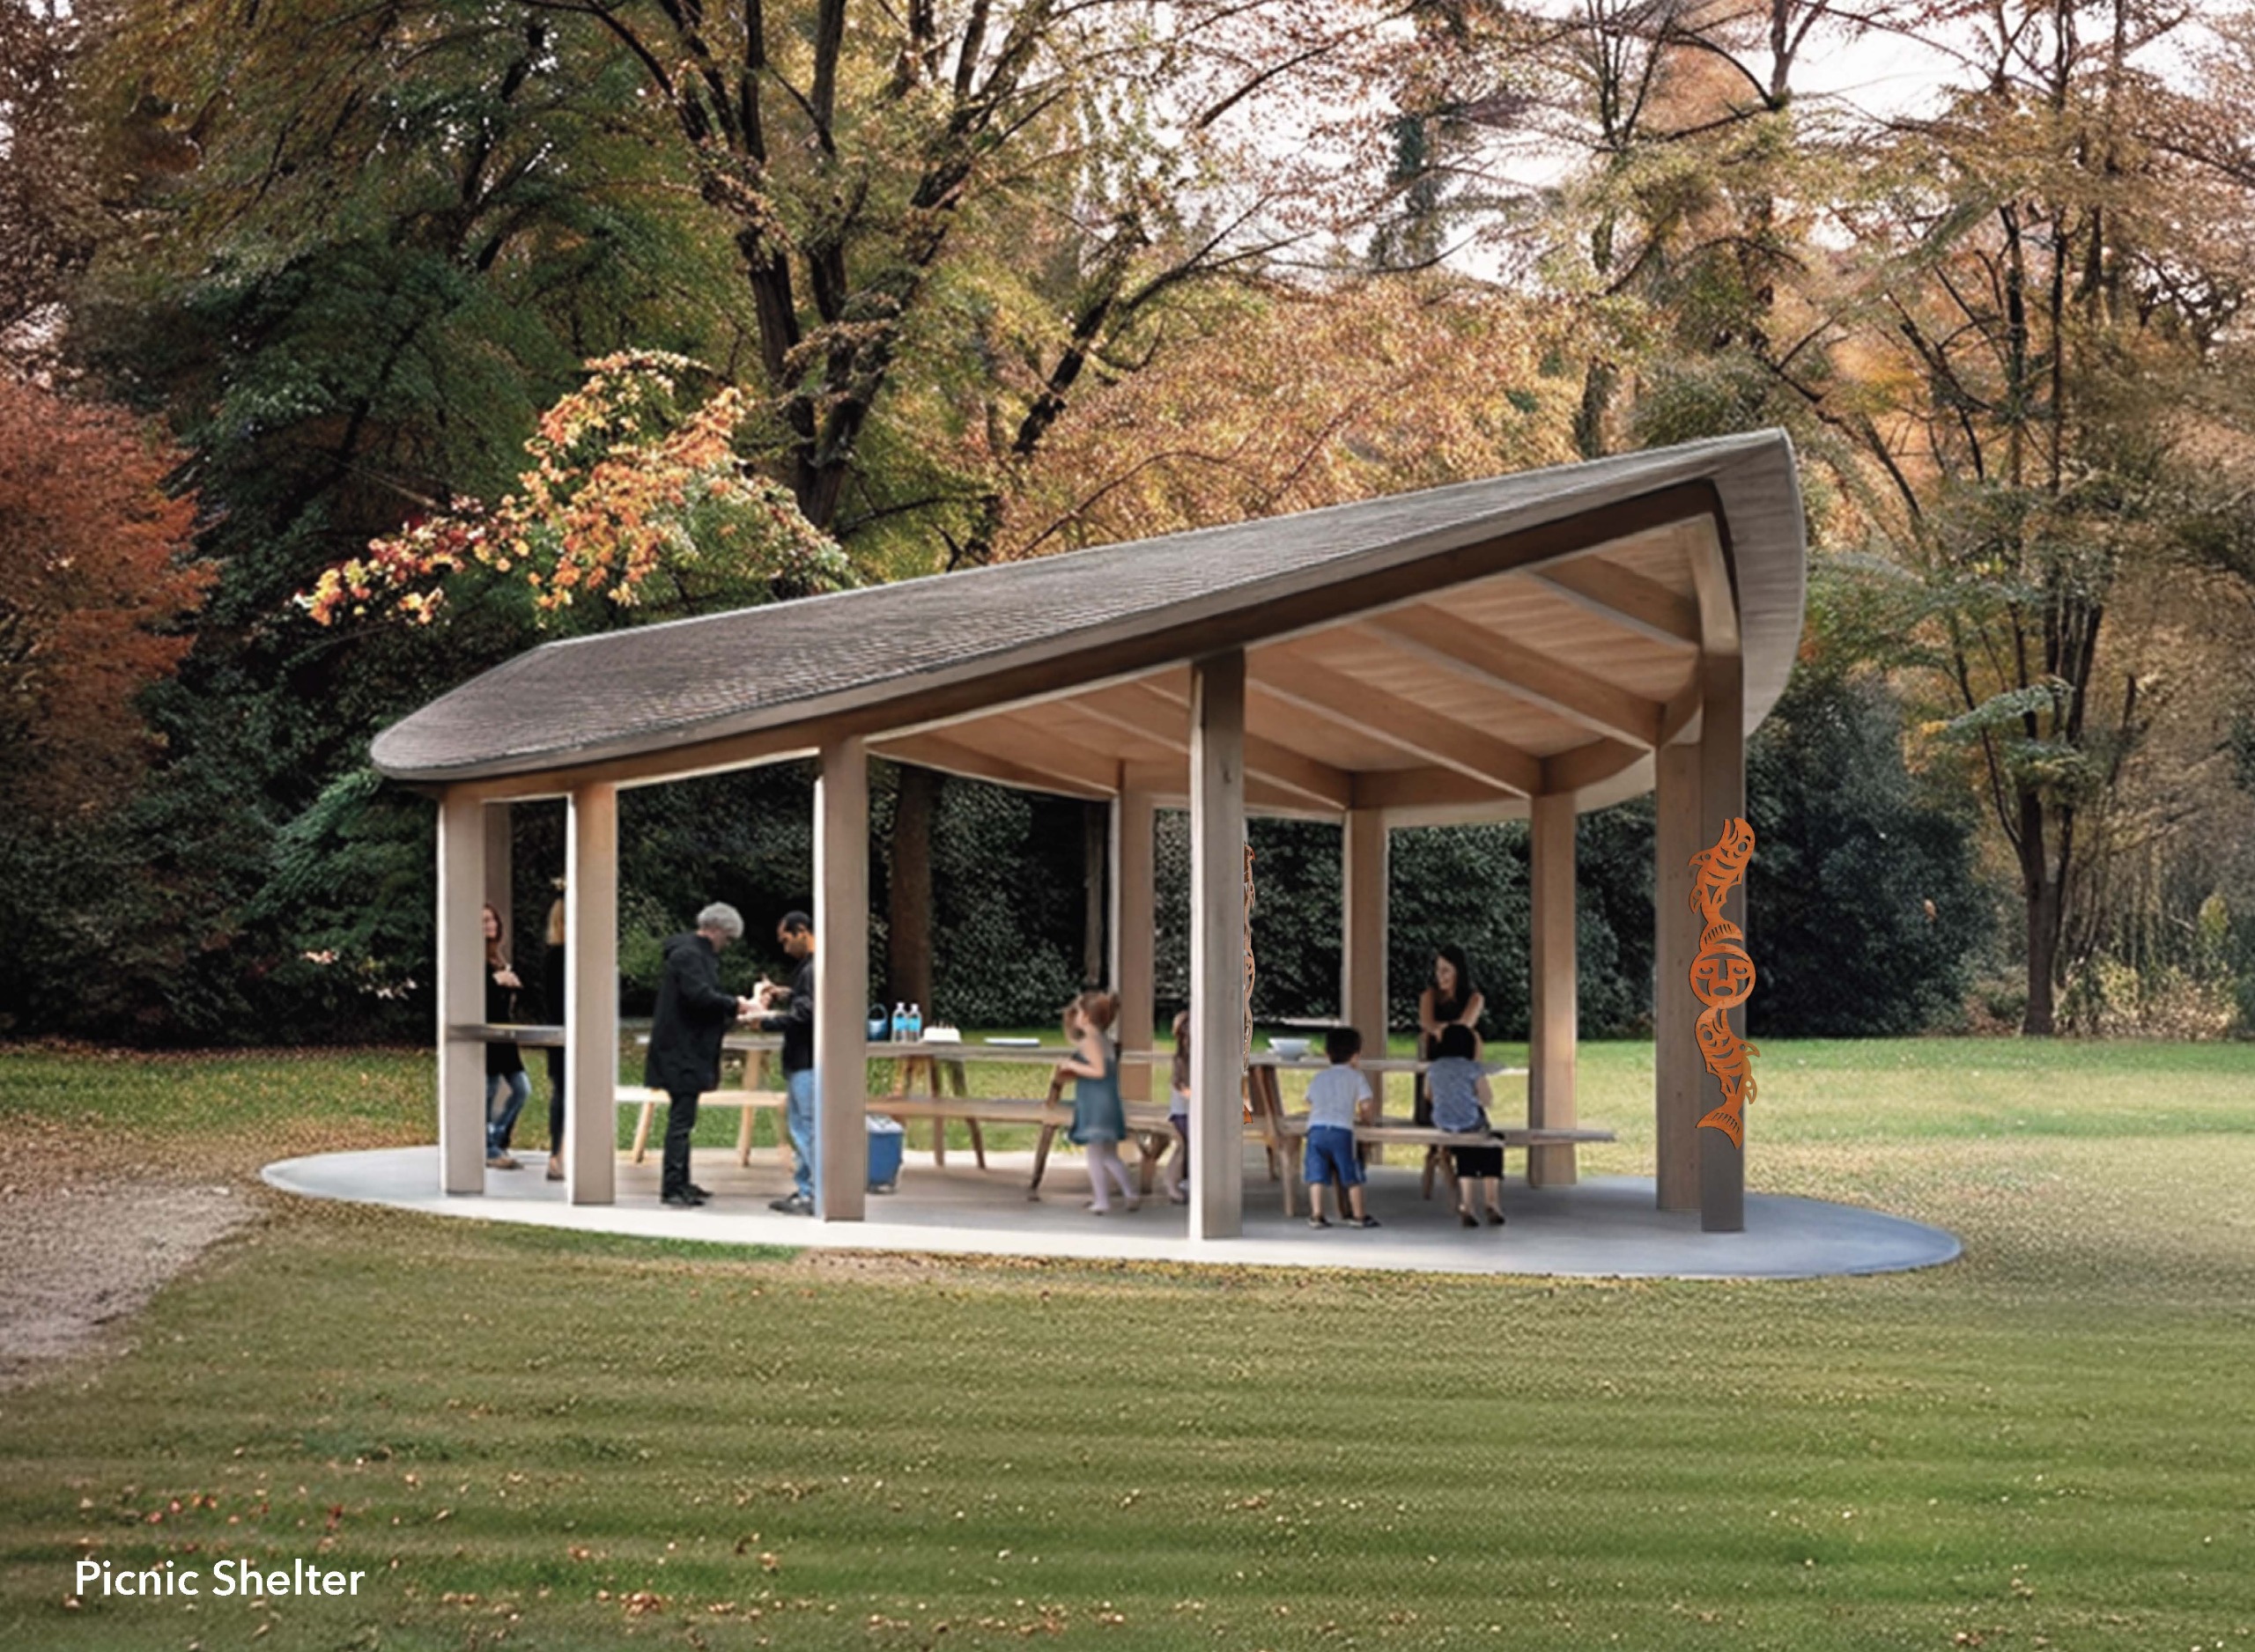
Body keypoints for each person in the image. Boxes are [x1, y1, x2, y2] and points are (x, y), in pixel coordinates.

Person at [644, 903, 758, 1208]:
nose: (726, 946)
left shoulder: (690, 954)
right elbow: (699, 996)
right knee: (681, 1122)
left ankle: (682, 1180)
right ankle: (672, 1186)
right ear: (716, 930)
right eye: (728, 939)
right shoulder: (690, 956)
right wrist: (736, 1005)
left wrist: (731, 1008)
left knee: (685, 1119)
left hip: (683, 1050)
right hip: (681, 1052)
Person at [750, 911, 817, 1214]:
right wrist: (784, 993)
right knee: (802, 1125)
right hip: (804, 1059)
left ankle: (813, 1192)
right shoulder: (810, 969)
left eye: (786, 940)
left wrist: (764, 1021)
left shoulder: (811, 970)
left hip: (806, 1060)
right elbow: (805, 1000)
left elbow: (806, 1014)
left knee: (806, 1127)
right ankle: (807, 1187)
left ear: (802, 931)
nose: (784, 947)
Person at [1057, 990, 1137, 1215]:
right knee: (1109, 1155)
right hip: (1108, 1103)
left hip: (1096, 1106)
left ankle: (1102, 1200)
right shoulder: (1105, 1041)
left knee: (1095, 1154)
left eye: (1079, 1012)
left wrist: (1071, 1066)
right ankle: (1130, 1193)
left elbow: (1098, 1070)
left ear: (1087, 1018)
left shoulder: (1090, 1042)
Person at [1302, 1025, 1380, 1229]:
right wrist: (1366, 1121)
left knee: (1316, 1174)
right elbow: (1366, 1104)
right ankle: (1358, 1215)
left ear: (1327, 1054)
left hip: (1316, 1130)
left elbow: (1308, 1100)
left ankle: (1317, 1214)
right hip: (1341, 1131)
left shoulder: (1319, 1077)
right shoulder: (1356, 1077)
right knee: (1350, 1173)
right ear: (1356, 1055)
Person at [1429, 1022, 1505, 1227]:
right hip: (1470, 1122)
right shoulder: (1473, 1068)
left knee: (1465, 1151)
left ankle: (1467, 1205)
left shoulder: (1435, 1067)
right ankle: (1492, 1202)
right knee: (1493, 1145)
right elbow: (1487, 1099)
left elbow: (1428, 1095)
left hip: (1443, 1122)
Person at [481, 903, 530, 1170]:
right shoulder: (473, 961)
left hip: (504, 1036)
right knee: (488, 1091)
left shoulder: (496, 958)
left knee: (522, 1089)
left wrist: (511, 983)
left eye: (492, 920)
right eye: (485, 921)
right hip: (486, 1036)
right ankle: (488, 1148)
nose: (490, 925)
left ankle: (498, 1137)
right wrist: (495, 982)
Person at [1416, 944, 1485, 1127]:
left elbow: (1465, 1026)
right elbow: (1427, 1023)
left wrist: (1443, 1031)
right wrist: (1443, 1031)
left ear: (1458, 972)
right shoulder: (1429, 995)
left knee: (1474, 1038)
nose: (1440, 976)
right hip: (1435, 1050)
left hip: (1461, 1052)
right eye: (1438, 970)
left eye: (1446, 971)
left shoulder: (1474, 998)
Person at [540, 885, 567, 1182]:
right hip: (563, 1036)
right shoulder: (560, 958)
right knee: (563, 1093)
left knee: (563, 1092)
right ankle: (557, 1155)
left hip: (559, 1034)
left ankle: (560, 1154)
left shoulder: (553, 958)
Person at [1161, 1010, 1191, 1206]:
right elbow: (1177, 1085)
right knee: (1185, 1145)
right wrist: (1192, 1094)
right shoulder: (1181, 1060)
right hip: (1182, 1114)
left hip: (1194, 1113)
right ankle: (1172, 1183)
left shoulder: (1199, 1057)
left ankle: (1188, 1181)